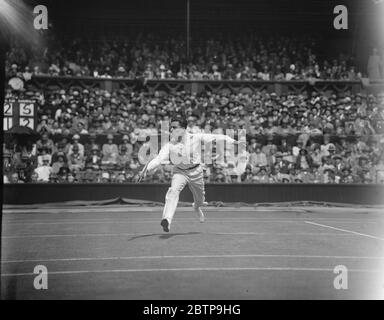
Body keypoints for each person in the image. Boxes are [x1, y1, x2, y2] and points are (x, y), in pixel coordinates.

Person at [137, 116, 244, 232]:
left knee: (200, 199)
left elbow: (217, 137)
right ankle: (167, 220)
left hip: (196, 172)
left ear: (183, 128)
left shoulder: (195, 138)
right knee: (173, 191)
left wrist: (233, 141)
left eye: (174, 127)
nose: (171, 130)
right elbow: (158, 159)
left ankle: (196, 207)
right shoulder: (169, 145)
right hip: (180, 172)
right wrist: (146, 170)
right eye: (171, 127)